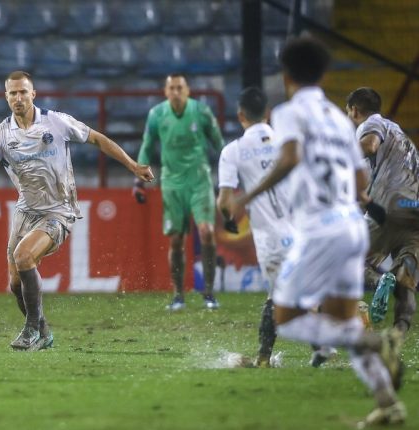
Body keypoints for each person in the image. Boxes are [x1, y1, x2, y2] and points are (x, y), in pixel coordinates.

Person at [229, 37, 405, 425]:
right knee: (340, 323)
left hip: (319, 230)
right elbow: (360, 174)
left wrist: (248, 196)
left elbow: (290, 157)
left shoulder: (291, 113)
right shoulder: (340, 120)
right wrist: (359, 197)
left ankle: (373, 340)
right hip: (350, 227)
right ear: (324, 75)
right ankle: (387, 401)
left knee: (287, 317)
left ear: (287, 76)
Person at [0, 70, 154, 351]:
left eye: (23, 92)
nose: (18, 98)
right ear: (6, 97)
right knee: (15, 284)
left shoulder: (57, 121)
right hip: (25, 212)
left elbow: (98, 139)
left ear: (33, 94)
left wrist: (133, 165)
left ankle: (29, 330)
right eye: (12, 93)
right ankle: (44, 332)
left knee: (24, 257)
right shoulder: (2, 133)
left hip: (58, 210)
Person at [134, 74, 225, 311]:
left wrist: (228, 178)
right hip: (172, 183)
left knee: (206, 232)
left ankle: (209, 292)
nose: (176, 92)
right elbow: (147, 144)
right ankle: (178, 295)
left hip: (199, 181)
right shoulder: (156, 114)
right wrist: (139, 181)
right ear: (165, 91)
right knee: (176, 239)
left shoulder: (202, 112)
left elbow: (220, 145)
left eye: (180, 88)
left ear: (188, 90)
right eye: (172, 88)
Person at [216, 87, 294, 368]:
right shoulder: (288, 142)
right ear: (268, 113)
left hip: (270, 237)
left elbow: (226, 200)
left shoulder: (233, 151)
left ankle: (264, 358)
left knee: (278, 294)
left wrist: (227, 218)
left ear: (240, 115)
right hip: (301, 229)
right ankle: (324, 345)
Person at [346, 87, 419, 335]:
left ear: (355, 110)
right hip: (414, 213)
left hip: (392, 206)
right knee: (406, 280)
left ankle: (380, 281)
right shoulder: (402, 137)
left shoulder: (372, 124)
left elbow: (370, 145)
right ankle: (397, 336)